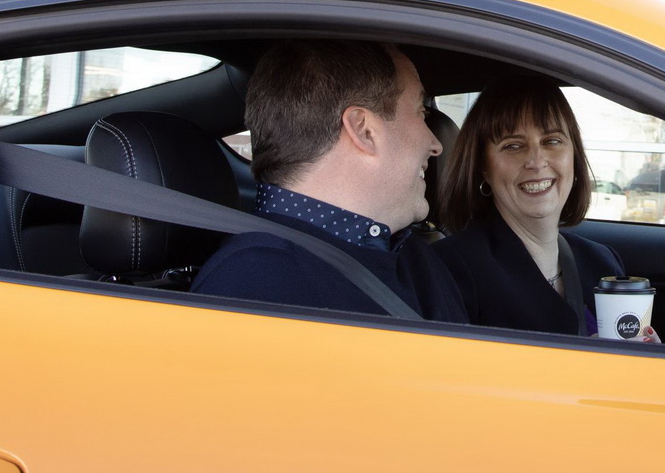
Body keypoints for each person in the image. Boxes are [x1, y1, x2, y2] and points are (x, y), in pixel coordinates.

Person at [192, 39, 466, 322]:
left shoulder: (415, 257)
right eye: (421, 112)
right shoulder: (253, 286)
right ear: (364, 130)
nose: (436, 145)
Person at [431, 78, 649, 338]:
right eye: (513, 146)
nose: (536, 161)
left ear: (573, 155)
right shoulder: (448, 267)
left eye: (551, 141)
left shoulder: (601, 261)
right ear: (483, 168)